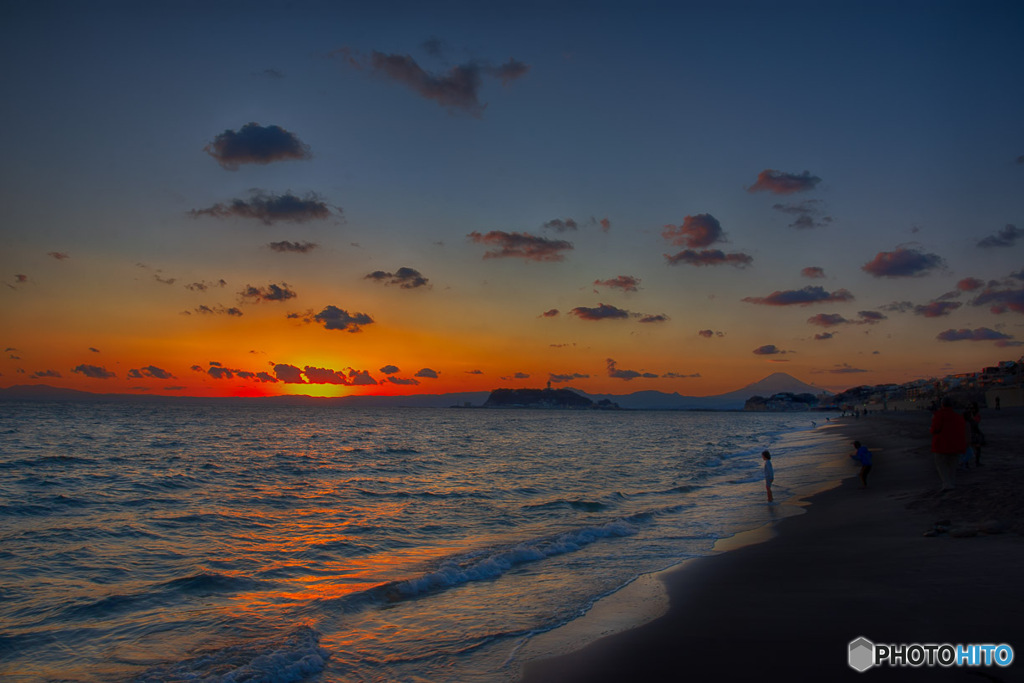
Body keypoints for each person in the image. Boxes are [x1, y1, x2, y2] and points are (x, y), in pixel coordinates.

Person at [931, 397, 967, 491]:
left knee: (942, 466)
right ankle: (951, 482)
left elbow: (934, 429)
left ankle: (947, 483)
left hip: (941, 445)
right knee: (952, 466)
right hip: (956, 445)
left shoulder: (939, 415)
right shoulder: (958, 417)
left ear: (942, 405)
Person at [965, 402, 984, 466]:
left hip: (974, 433)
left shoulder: (976, 415)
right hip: (969, 432)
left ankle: (977, 461)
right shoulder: (966, 415)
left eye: (972, 408)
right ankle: (966, 462)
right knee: (968, 449)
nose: (971, 409)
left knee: (977, 448)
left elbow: (976, 422)